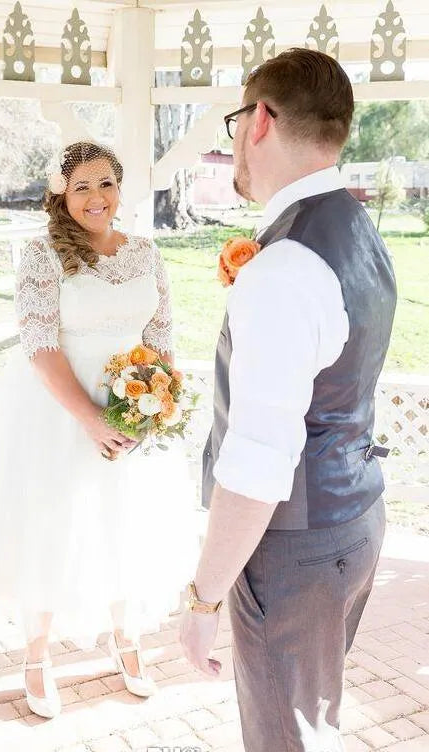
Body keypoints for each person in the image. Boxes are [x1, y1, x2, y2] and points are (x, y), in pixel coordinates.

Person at [179, 49, 396, 751]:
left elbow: (257, 461)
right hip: (354, 515)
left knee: (285, 738)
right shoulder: (357, 228)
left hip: (295, 547)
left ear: (261, 121)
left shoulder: (281, 269)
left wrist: (202, 597)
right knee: (310, 720)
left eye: (237, 119)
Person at [0, 141, 198, 719]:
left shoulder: (146, 252)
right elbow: (39, 344)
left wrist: (154, 406)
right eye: (82, 186)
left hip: (133, 405)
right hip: (59, 411)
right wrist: (90, 420)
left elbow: (160, 335)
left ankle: (127, 638)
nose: (96, 197)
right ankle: (37, 655)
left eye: (106, 184)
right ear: (62, 193)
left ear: (121, 190)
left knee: (126, 519)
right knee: (55, 522)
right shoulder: (43, 255)